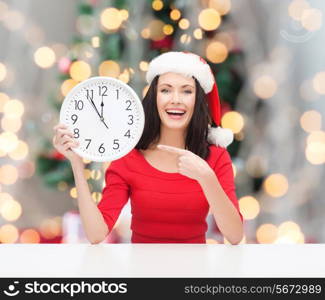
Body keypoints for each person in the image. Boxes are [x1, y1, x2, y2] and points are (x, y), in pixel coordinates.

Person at [53, 51, 244, 245]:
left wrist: (206, 178)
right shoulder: (128, 157)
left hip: (195, 270)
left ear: (198, 100)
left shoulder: (216, 157)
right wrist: (77, 165)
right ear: (154, 97)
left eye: (186, 91)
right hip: (140, 270)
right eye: (166, 90)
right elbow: (96, 234)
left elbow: (235, 236)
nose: (175, 99)